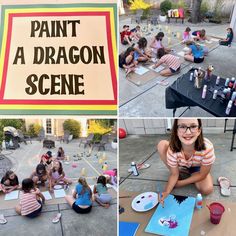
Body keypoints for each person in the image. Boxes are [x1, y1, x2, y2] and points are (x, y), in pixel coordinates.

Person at [157, 119, 215, 205]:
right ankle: (180, 170)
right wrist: (167, 191)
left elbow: (202, 174)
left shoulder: (207, 148)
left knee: (207, 189)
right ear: (176, 131)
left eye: (193, 126)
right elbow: (174, 174)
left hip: (197, 167)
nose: (188, 132)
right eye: (182, 127)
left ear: (199, 130)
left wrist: (180, 183)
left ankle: (189, 172)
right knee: (162, 144)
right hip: (181, 165)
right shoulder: (172, 149)